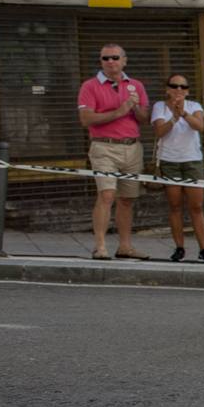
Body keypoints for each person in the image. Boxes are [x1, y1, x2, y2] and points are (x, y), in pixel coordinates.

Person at [77, 43, 150, 260]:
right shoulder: (90, 86)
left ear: (124, 60)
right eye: (105, 58)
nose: (111, 62)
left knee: (127, 198)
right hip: (104, 146)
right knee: (107, 195)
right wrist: (119, 111)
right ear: (101, 62)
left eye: (115, 57)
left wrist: (134, 107)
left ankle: (125, 246)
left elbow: (145, 119)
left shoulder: (135, 85)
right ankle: (100, 246)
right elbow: (86, 119)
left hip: (132, 147)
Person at [152, 74, 204, 263]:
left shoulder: (194, 106)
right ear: (167, 89)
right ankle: (179, 247)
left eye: (182, 87)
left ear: (187, 90)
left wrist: (184, 113)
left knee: (196, 206)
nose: (178, 90)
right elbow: (159, 131)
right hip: (170, 161)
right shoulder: (159, 107)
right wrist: (174, 118)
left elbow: (200, 126)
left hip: (192, 160)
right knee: (175, 206)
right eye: (174, 86)